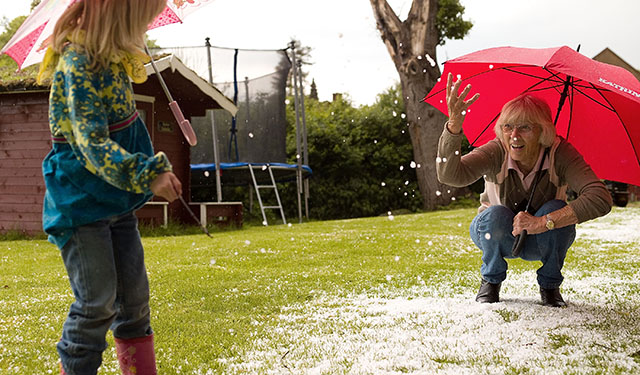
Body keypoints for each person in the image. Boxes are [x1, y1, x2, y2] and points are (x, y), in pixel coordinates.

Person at [37, 1, 181, 374]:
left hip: (116, 203)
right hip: (82, 205)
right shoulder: (78, 64)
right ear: (120, 13)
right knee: (96, 304)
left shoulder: (114, 60)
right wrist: (148, 174)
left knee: (134, 304)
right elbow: (93, 146)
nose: (147, 25)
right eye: (143, 16)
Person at [437, 73, 612, 307]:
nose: (514, 136)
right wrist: (454, 127)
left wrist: (544, 221)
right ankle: (490, 281)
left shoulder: (559, 152)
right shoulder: (496, 150)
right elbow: (450, 175)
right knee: (495, 215)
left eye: (525, 128)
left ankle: (550, 286)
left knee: (556, 209)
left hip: (542, 239)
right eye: (507, 126)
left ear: (543, 131)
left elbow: (600, 197)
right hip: (496, 235)